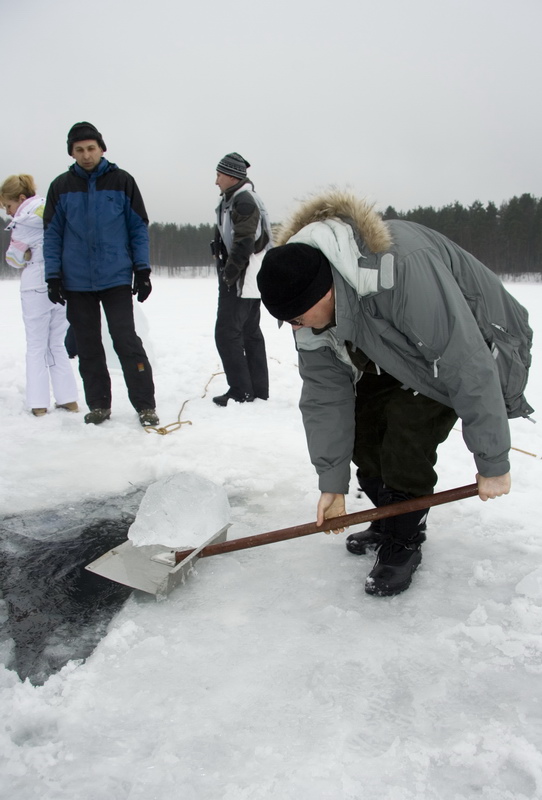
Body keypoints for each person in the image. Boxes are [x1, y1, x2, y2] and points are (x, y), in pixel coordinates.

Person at [257, 190, 533, 597]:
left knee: (406, 428)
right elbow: (324, 396)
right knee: (363, 426)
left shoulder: (399, 269)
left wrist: (493, 461)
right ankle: (390, 515)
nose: (295, 328)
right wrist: (332, 484)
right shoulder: (309, 302)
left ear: (325, 293)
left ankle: (405, 538)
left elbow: (465, 363)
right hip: (397, 351)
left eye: (297, 318)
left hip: (482, 345)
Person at [43, 121, 159, 427]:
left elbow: (137, 228)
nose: (86, 155)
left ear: (102, 149)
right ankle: (99, 405)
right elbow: (52, 234)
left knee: (126, 341)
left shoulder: (122, 181)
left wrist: (142, 270)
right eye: (79, 150)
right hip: (76, 281)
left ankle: (145, 406)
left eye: (91, 148)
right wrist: (53, 276)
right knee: (88, 345)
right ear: (71, 153)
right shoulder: (61, 187)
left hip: (115, 276)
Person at [1, 174, 79, 417]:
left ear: (20, 198)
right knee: (56, 344)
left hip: (35, 284)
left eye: (8, 206)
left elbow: (12, 259)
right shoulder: (55, 209)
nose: (8, 212)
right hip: (63, 283)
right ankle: (69, 399)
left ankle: (38, 403)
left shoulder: (23, 222)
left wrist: (25, 255)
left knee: (36, 346)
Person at [212, 152, 273, 406]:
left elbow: (245, 241)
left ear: (231, 176)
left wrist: (229, 273)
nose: (216, 181)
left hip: (242, 279)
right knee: (249, 332)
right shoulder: (237, 199)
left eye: (219, 175)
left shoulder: (243, 200)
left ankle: (240, 391)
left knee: (226, 334)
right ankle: (257, 390)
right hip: (250, 278)